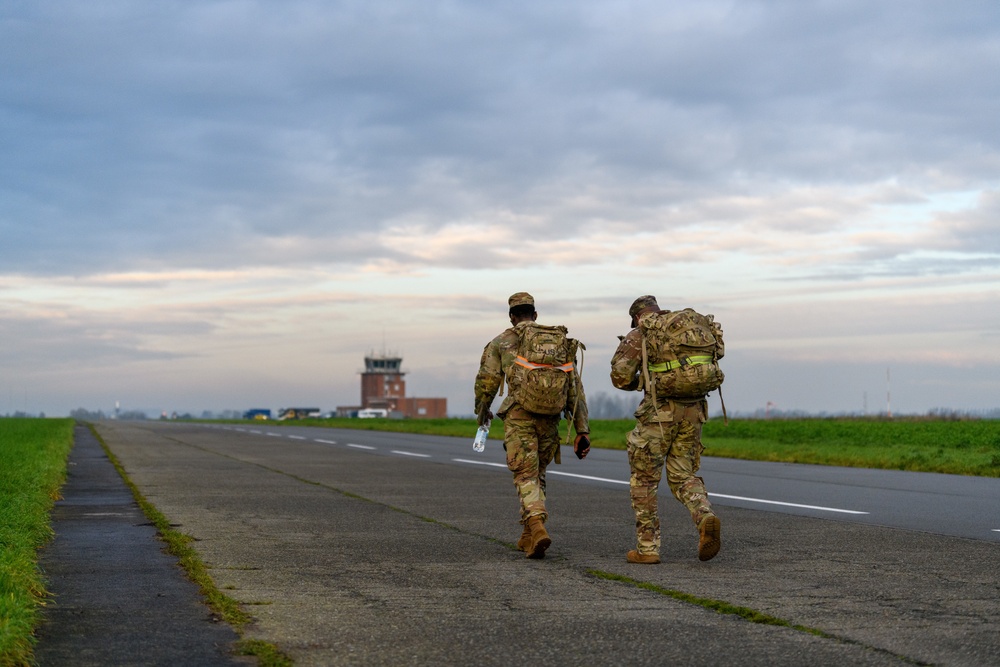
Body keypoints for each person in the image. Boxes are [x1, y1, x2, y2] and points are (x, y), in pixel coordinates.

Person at [474, 292, 590, 559]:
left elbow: (486, 383)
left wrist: (482, 414)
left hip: (519, 416)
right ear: (535, 315)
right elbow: (574, 388)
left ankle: (537, 524)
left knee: (525, 474)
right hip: (550, 417)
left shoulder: (501, 341)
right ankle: (528, 534)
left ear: (512, 317)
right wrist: (582, 429)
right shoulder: (557, 343)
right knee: (537, 473)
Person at [610, 295, 722, 564]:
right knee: (684, 475)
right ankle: (705, 515)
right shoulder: (688, 328)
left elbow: (620, 375)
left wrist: (645, 380)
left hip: (658, 414)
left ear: (637, 317)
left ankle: (647, 548)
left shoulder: (643, 332)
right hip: (693, 411)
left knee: (645, 480)